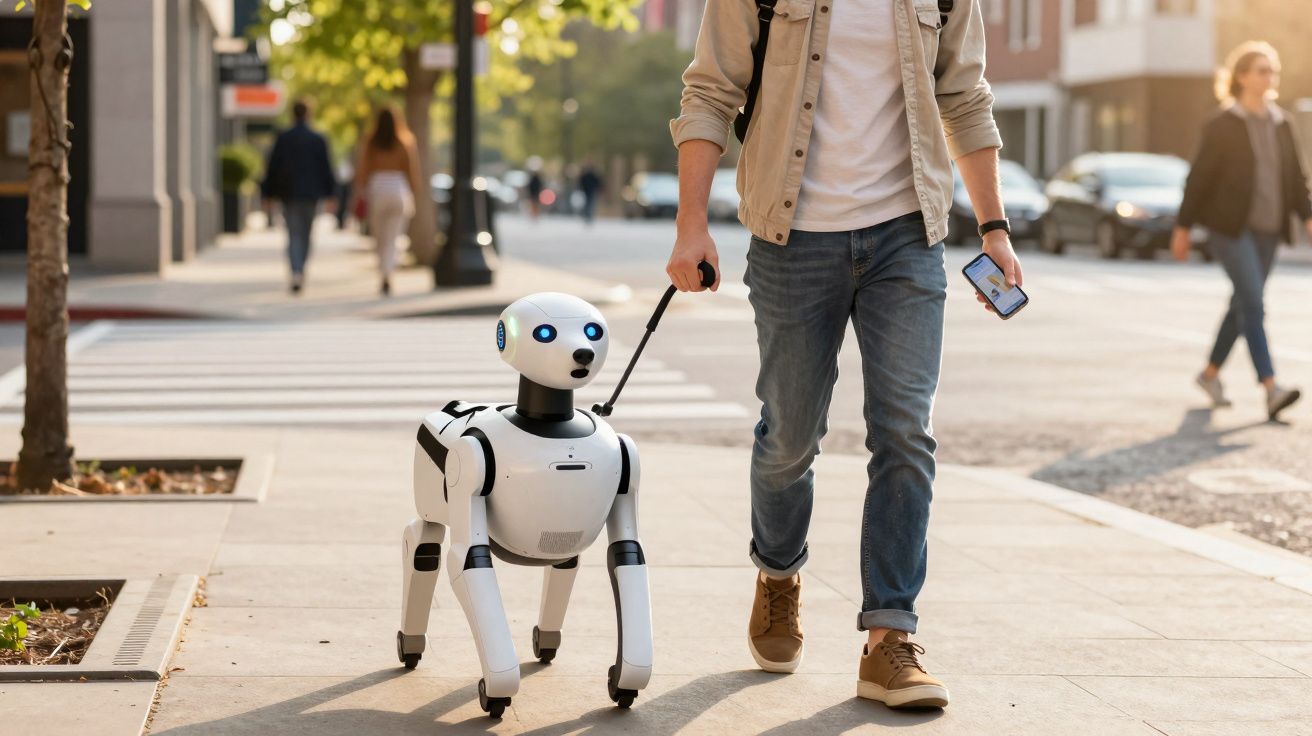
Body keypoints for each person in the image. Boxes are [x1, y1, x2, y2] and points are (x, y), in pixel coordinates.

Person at [667, 0, 1018, 711]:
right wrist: (691, 225)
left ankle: (890, 637)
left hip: (907, 236)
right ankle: (778, 572)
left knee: (906, 429)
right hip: (792, 233)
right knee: (790, 435)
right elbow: (710, 91)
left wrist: (994, 227)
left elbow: (965, 97)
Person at [1173, 41, 1310, 420]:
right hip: (1230, 230)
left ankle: (1209, 374)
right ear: (1242, 77)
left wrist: (1308, 217)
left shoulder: (1282, 123)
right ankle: (1271, 388)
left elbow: (1296, 178)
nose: (1270, 77)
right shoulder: (1222, 123)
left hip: (1269, 230)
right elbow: (1198, 179)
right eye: (1262, 70)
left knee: (1242, 305)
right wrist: (1182, 227)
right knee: (1254, 302)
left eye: (1273, 70)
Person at [261, 99, 338, 295]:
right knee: (306, 234)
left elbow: (272, 167)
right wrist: (331, 195)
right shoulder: (318, 138)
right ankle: (300, 269)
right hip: (311, 195)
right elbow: (326, 169)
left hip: (289, 194)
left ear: (292, 114)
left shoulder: (283, 138)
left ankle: (295, 270)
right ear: (308, 114)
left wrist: (267, 195)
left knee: (293, 233)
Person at [354, 106, 421, 297]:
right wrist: (414, 194)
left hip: (377, 188)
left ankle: (383, 270)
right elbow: (412, 171)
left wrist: (359, 192)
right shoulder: (405, 141)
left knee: (379, 237)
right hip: (399, 188)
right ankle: (388, 271)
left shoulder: (371, 142)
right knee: (393, 236)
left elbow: (363, 170)